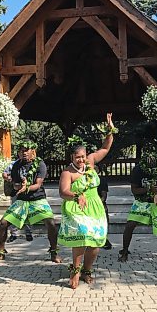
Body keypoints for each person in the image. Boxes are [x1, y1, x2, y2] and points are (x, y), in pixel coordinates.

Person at [58, 113, 116, 289]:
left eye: (83, 156)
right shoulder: (68, 172)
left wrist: (109, 128)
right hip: (76, 207)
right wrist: (76, 195)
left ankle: (87, 270)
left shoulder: (90, 162)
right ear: (72, 158)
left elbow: (105, 148)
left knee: (96, 241)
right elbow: (63, 192)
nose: (81, 160)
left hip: (95, 205)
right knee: (82, 237)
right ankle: (75, 271)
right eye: (77, 157)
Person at [0, 141, 61, 263]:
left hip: (38, 199)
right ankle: (0, 252)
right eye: (21, 150)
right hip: (21, 201)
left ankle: (54, 253)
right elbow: (15, 185)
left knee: (51, 224)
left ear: (33, 152)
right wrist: (16, 185)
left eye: (27, 150)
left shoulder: (40, 164)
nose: (24, 152)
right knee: (2, 224)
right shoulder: (16, 166)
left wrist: (26, 187)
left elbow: (37, 185)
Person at [3, 148, 33, 242]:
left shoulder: (33, 164)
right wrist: (9, 179)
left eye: (25, 151)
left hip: (27, 191)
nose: (23, 153)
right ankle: (14, 233)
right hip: (16, 191)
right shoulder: (14, 164)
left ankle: (28, 233)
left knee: (27, 212)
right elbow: (5, 173)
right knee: (14, 212)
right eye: (21, 152)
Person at [95, 164, 112, 250]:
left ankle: (104, 238)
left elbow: (104, 196)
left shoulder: (101, 180)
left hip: (99, 204)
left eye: (95, 168)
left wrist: (97, 204)